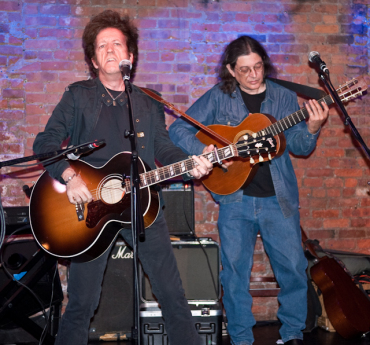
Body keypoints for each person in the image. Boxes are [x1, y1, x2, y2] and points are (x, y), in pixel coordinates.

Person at [33, 10, 214, 345]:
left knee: (173, 295)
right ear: (93, 60)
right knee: (82, 304)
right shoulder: (78, 97)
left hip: (141, 206)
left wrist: (191, 163)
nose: (111, 49)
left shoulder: (147, 102)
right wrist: (69, 176)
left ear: (131, 56)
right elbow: (44, 143)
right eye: (102, 46)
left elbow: (163, 146)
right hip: (89, 213)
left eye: (117, 43)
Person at [169, 36, 329, 345]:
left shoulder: (282, 97)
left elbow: (298, 145)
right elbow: (178, 129)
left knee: (293, 269)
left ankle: (292, 334)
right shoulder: (218, 97)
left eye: (258, 67)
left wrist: (311, 128)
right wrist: (204, 150)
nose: (254, 76)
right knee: (234, 274)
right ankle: (241, 338)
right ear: (230, 70)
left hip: (278, 198)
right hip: (235, 199)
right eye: (244, 70)